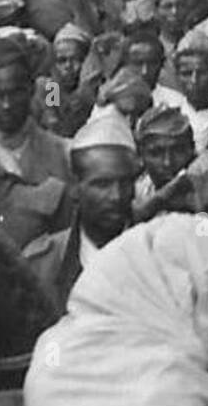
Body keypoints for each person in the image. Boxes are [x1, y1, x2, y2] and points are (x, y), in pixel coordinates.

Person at [21, 111, 141, 311]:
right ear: (75, 188)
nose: (117, 196)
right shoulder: (43, 264)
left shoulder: (160, 256)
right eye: (102, 184)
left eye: (126, 182)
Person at [0, 38, 73, 249]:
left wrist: (52, 118)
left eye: (15, 92)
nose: (7, 105)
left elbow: (55, 111)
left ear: (30, 89)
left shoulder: (50, 86)